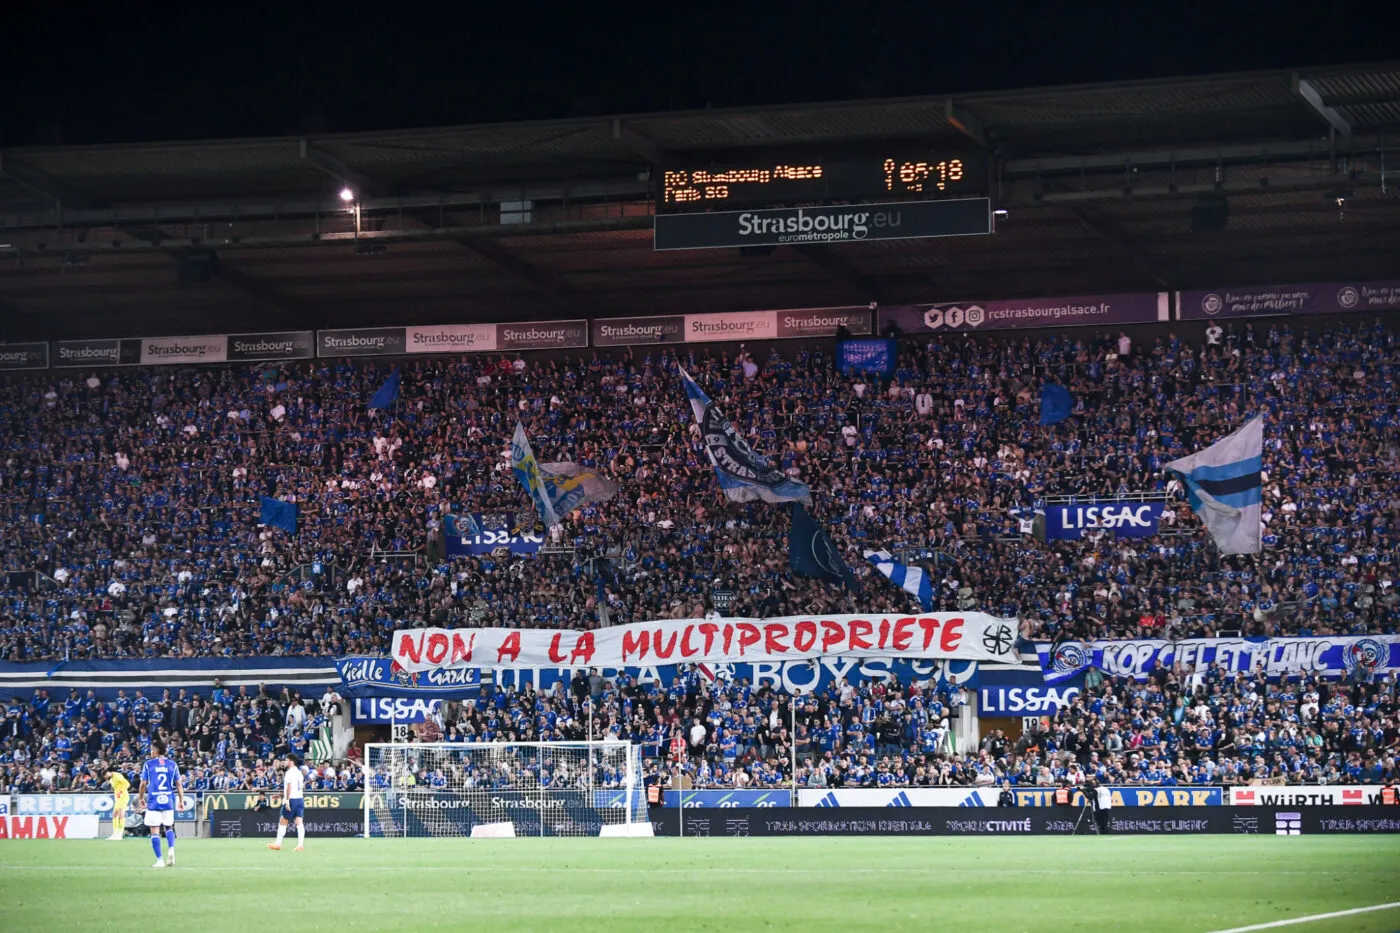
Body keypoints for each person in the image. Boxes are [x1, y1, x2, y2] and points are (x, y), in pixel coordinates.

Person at [139, 740, 186, 869]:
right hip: (168, 800)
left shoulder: (149, 765)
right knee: (169, 827)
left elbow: (143, 784)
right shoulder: (172, 764)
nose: (150, 752)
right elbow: (178, 783)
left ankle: (159, 860)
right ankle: (171, 849)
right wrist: (181, 800)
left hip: (154, 801)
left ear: (156, 751)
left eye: (151, 749)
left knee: (154, 831)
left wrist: (141, 798)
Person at [267, 752, 306, 852]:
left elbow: (289, 787)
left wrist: (287, 800)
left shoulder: (289, 773)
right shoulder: (299, 773)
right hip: (300, 799)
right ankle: (300, 844)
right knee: (299, 822)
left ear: (291, 761)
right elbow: (297, 788)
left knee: (283, 821)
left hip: (291, 800)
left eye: (287, 760)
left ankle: (278, 844)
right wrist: (280, 795)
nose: (285, 762)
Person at [106, 768, 131, 840]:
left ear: (109, 772)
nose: (106, 777)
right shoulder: (110, 779)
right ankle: (115, 833)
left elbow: (127, 784)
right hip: (117, 797)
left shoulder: (117, 776)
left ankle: (120, 834)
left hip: (123, 796)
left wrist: (121, 791)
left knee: (121, 814)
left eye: (106, 774)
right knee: (114, 815)